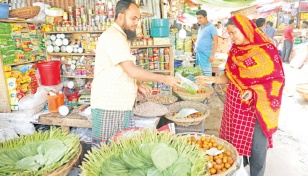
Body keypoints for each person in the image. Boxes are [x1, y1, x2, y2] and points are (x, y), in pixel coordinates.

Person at [196, 14, 285, 176]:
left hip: (257, 108)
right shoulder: (235, 51)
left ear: (244, 29)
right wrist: (212, 78)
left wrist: (253, 91)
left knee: (257, 148)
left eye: (233, 32)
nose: (231, 37)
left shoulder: (266, 49)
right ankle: (239, 171)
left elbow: (276, 80)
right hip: (235, 105)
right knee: (235, 145)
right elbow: (230, 77)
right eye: (228, 33)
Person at [91, 0, 180, 148]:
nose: (137, 23)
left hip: (119, 105)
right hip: (109, 106)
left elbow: (121, 69)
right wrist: (164, 78)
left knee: (117, 151)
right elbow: (130, 69)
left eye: (138, 19)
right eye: (133, 18)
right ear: (120, 16)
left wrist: (137, 83)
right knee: (107, 154)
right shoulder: (113, 37)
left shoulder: (121, 37)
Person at [195, 10, 218, 76]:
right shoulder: (200, 27)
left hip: (206, 54)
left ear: (205, 17)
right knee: (199, 73)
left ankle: (208, 86)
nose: (199, 19)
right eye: (197, 18)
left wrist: (213, 55)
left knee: (206, 73)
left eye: (200, 17)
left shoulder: (211, 27)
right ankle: (201, 86)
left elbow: (216, 42)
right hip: (198, 53)